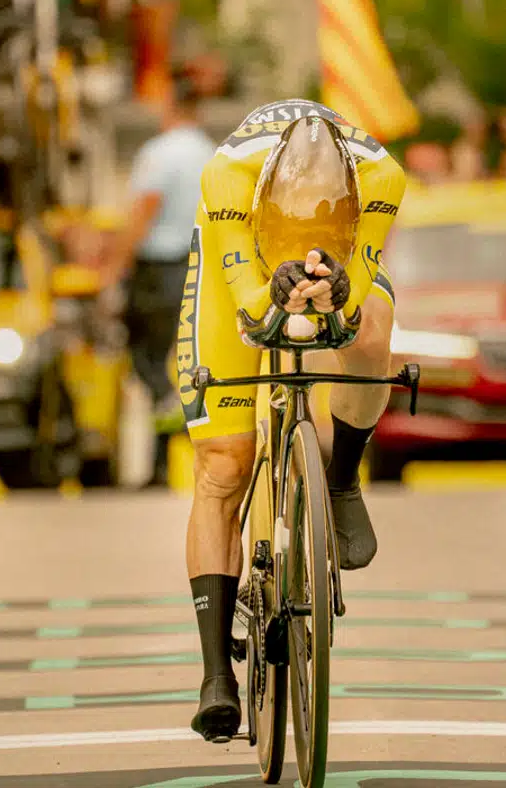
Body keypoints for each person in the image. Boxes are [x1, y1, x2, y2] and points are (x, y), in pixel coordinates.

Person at [179, 100, 404, 742]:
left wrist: (338, 298)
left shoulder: (382, 176)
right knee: (223, 464)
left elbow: (355, 299)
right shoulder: (226, 176)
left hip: (343, 257)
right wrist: (267, 296)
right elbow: (248, 307)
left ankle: (342, 477)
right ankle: (215, 674)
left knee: (371, 336)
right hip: (235, 265)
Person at [101, 68, 216, 486]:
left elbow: (143, 212)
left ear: (170, 104)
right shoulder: (211, 152)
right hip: (199, 269)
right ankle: (159, 466)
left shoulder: (160, 153)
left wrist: (113, 267)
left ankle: (179, 418)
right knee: (180, 364)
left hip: (159, 272)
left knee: (147, 361)